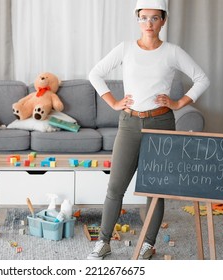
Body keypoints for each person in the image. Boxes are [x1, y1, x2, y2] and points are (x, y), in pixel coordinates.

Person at [87, 0, 210, 260]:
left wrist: (178, 103)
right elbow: (95, 74)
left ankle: (148, 244)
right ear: (137, 19)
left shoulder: (173, 52)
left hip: (162, 124)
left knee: (155, 188)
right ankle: (103, 242)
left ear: (163, 20)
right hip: (129, 123)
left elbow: (202, 79)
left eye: (155, 18)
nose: (149, 24)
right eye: (144, 18)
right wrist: (113, 102)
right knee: (115, 187)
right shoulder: (125, 49)